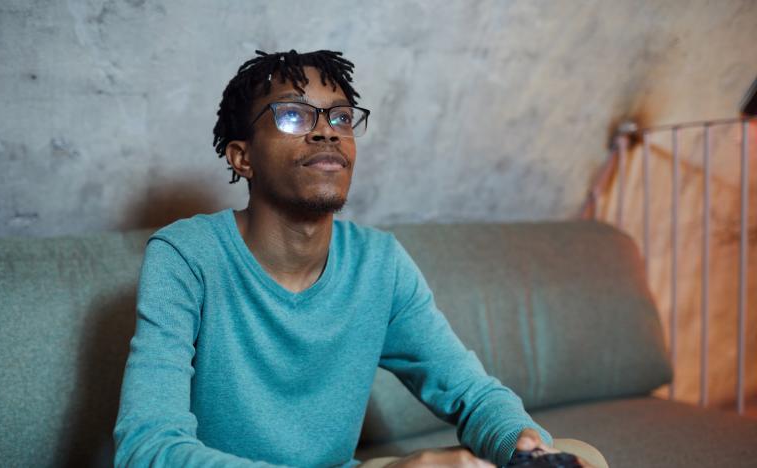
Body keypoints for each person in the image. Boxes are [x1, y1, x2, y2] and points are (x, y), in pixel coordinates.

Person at [113, 49, 605, 468]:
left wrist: (523, 449)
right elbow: (147, 448)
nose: (326, 131)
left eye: (341, 117)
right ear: (242, 158)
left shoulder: (380, 263)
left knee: (580, 454)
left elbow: (472, 394)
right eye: (293, 115)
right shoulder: (186, 256)